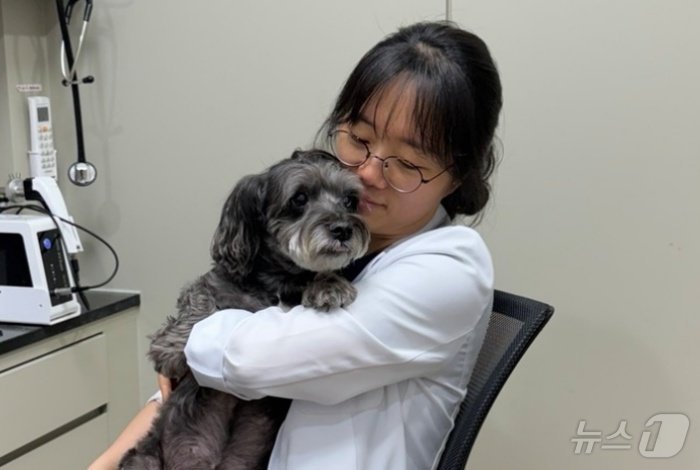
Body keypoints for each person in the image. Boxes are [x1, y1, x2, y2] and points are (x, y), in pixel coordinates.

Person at [90, 20, 502, 470]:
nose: (366, 174)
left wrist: (192, 334)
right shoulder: (331, 257)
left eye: (406, 162)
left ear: (458, 176)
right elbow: (182, 388)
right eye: (358, 139)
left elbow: (246, 361)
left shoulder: (449, 269)